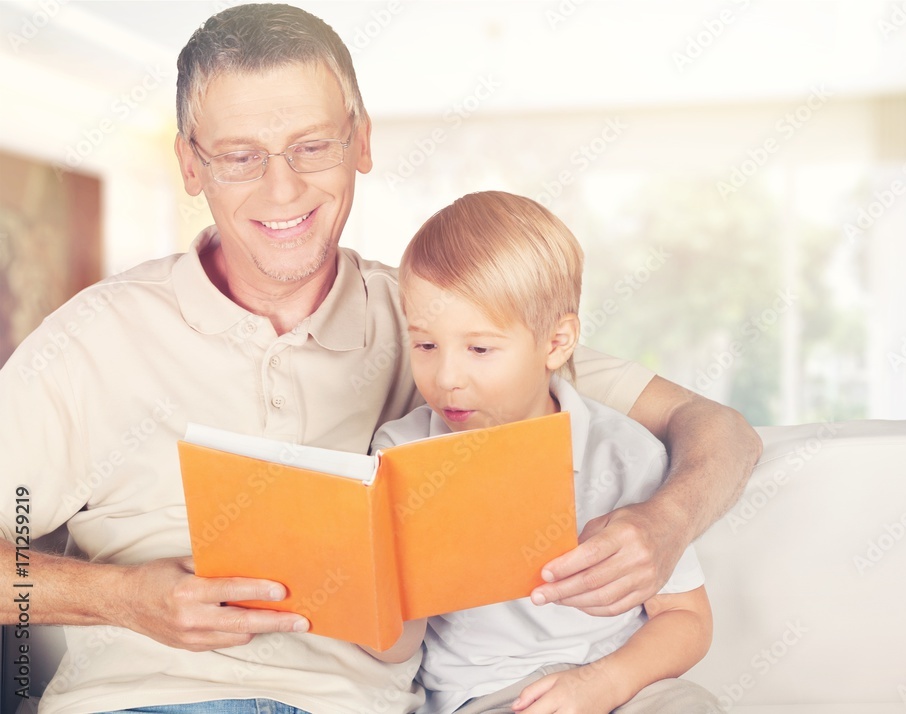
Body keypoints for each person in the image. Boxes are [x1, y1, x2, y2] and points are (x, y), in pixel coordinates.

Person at [0, 4, 759, 713]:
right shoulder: (91, 341)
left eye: (312, 146)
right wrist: (117, 598)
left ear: (361, 141)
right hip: (152, 698)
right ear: (190, 166)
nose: (282, 186)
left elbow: (718, 428)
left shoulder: (440, 328)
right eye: (238, 156)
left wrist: (667, 522)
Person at [369, 190, 723, 714]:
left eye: (480, 349)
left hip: (621, 684)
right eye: (425, 345)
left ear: (557, 342)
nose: (445, 378)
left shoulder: (625, 453)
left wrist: (605, 683)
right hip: (487, 698)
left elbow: (688, 620)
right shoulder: (401, 452)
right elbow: (396, 644)